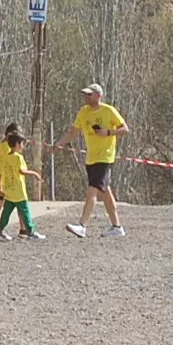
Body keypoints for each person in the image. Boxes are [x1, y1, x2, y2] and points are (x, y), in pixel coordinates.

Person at [54, 82, 128, 238]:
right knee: (105, 191)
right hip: (91, 158)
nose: (86, 97)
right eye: (85, 94)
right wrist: (60, 143)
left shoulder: (109, 111)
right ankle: (117, 227)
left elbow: (124, 129)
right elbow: (73, 131)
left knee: (92, 190)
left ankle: (82, 225)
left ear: (98, 96)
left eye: (89, 94)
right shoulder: (83, 112)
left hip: (105, 156)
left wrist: (108, 132)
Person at [0, 123, 44, 241]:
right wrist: (34, 174)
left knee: (6, 209)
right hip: (8, 184)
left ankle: (9, 229)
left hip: (4, 183)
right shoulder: (10, 151)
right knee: (8, 207)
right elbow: (19, 169)